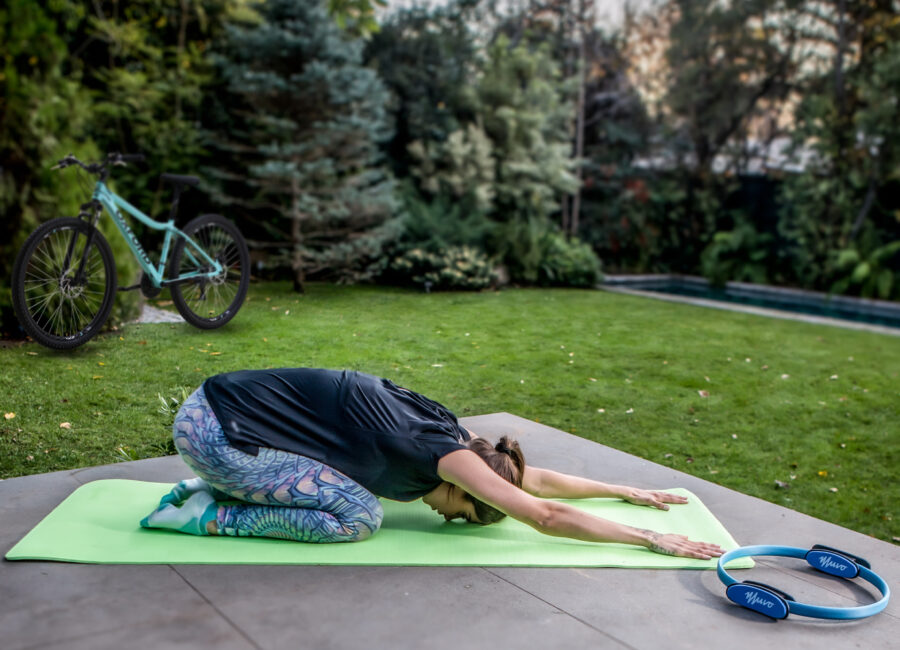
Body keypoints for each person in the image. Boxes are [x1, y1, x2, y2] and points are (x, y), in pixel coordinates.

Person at [141, 368, 725, 559]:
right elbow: (541, 512)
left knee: (348, 494)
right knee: (357, 517)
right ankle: (204, 513)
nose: (449, 518)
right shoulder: (445, 458)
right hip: (216, 434)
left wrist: (625, 489)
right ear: (467, 488)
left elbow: (533, 480)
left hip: (218, 413)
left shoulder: (463, 439)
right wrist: (652, 539)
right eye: (467, 515)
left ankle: (225, 486)